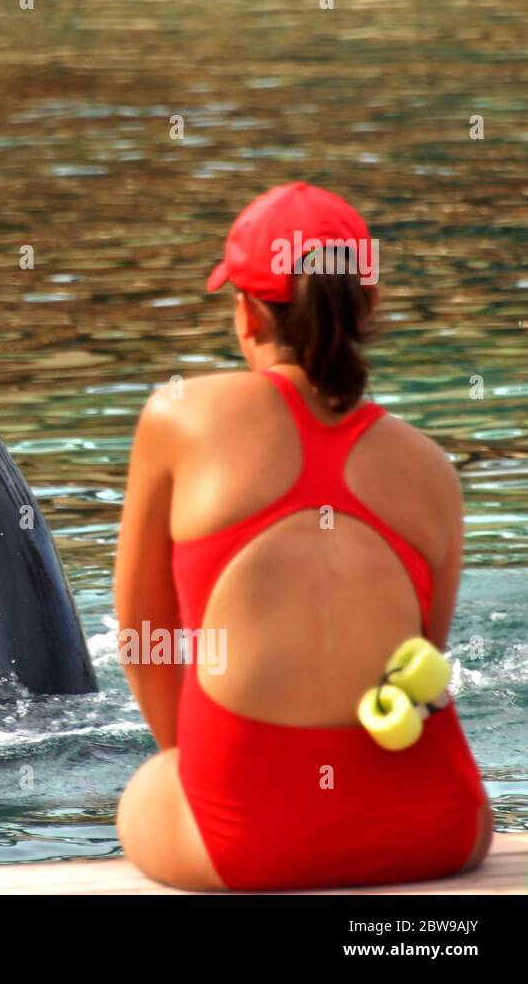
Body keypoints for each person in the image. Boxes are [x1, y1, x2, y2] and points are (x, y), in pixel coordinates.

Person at [113, 183, 492, 890]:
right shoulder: (430, 467)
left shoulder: (179, 414)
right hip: (439, 828)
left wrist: (192, 765)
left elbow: (140, 629)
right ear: (367, 306)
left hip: (247, 842)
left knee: (143, 793)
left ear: (246, 314)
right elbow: (417, 670)